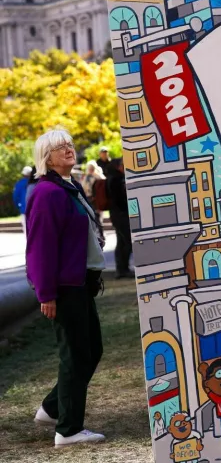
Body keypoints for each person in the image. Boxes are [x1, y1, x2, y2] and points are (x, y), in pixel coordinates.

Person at [25, 129, 107, 446]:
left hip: (81, 284)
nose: (68, 149)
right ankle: (68, 429)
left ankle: (51, 407)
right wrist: (46, 294)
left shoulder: (68, 187)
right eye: (60, 147)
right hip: (64, 287)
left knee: (92, 350)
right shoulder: (47, 193)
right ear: (47, 157)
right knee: (75, 356)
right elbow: (40, 248)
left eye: (70, 144)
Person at [105, 158, 133, 278]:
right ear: (118, 166)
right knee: (127, 241)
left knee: (121, 241)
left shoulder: (112, 178)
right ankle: (123, 268)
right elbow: (119, 199)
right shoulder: (117, 180)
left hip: (116, 214)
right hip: (121, 213)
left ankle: (121, 268)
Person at [12, 165, 31, 232]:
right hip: (34, 209)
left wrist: (18, 206)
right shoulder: (35, 183)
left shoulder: (19, 184)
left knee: (26, 230)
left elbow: (15, 197)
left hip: (24, 209)